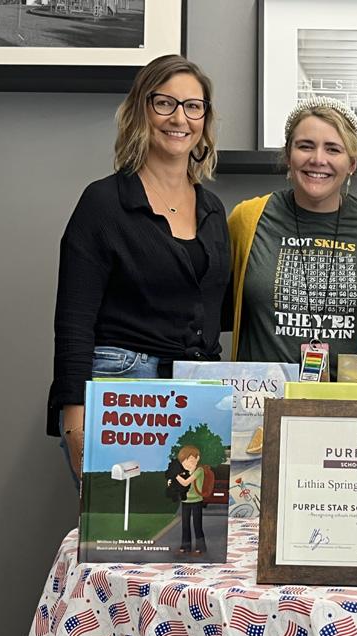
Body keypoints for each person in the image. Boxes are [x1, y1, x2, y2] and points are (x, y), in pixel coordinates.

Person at [47, 54, 230, 480]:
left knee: (190, 518)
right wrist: (75, 426)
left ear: (204, 119)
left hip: (196, 395)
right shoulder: (103, 203)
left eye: (193, 106)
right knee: (127, 520)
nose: (179, 118)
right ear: (140, 111)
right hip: (121, 397)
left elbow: (212, 314)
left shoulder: (212, 209)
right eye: (164, 103)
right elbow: (73, 324)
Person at [228, 96, 357, 378]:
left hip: (355, 401)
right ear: (288, 156)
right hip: (262, 400)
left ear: (351, 163)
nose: (318, 159)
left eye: (333, 149)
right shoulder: (247, 219)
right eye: (305, 146)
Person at [173, 445, 213, 554]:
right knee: (185, 525)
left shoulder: (199, 470)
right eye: (184, 462)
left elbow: (186, 483)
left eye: (190, 460)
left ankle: (201, 547)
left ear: (197, 458)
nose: (187, 464)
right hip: (185, 501)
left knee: (197, 525)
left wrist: (175, 475)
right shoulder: (183, 472)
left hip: (196, 501)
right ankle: (186, 546)